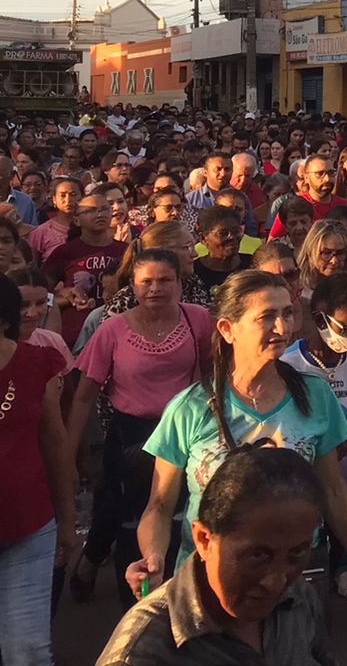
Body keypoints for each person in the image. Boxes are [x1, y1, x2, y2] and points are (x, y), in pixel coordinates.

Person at [130, 269, 347, 643]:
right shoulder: (190, 409)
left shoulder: (315, 396)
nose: (282, 326)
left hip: (295, 585)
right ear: (227, 329)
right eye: (266, 316)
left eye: (287, 313)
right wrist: (153, 560)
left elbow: (333, 492)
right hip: (210, 590)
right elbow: (159, 505)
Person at [96, 445, 337, 665]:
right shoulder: (142, 653)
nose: (275, 582)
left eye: (297, 553)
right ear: (203, 539)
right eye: (258, 555)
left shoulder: (298, 597)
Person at [66, 249, 213, 606]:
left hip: (185, 433)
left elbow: (213, 376)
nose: (155, 289)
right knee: (131, 524)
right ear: (132, 283)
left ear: (180, 283)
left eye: (165, 280)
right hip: (131, 436)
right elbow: (84, 396)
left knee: (181, 517)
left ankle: (180, 604)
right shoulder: (112, 329)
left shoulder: (199, 319)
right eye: (146, 281)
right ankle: (137, 610)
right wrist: (69, 456)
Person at [0, 275, 77, 666]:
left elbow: (55, 442)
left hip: (28, 528)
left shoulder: (34, 363)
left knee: (26, 651)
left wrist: (67, 522)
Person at [283, 272, 347, 599]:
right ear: (321, 318)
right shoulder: (289, 363)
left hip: (345, 462)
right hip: (300, 468)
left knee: (343, 514)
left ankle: (345, 567)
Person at [44, 187, 125, 346]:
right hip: (75, 336)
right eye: (91, 211)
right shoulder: (65, 252)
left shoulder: (125, 250)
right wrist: (66, 298)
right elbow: (42, 294)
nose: (100, 214)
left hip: (117, 332)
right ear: (77, 220)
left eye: (104, 209)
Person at [190, 207, 251, 297]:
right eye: (223, 233)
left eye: (236, 231)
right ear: (203, 239)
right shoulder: (194, 273)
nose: (232, 237)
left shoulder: (252, 265)